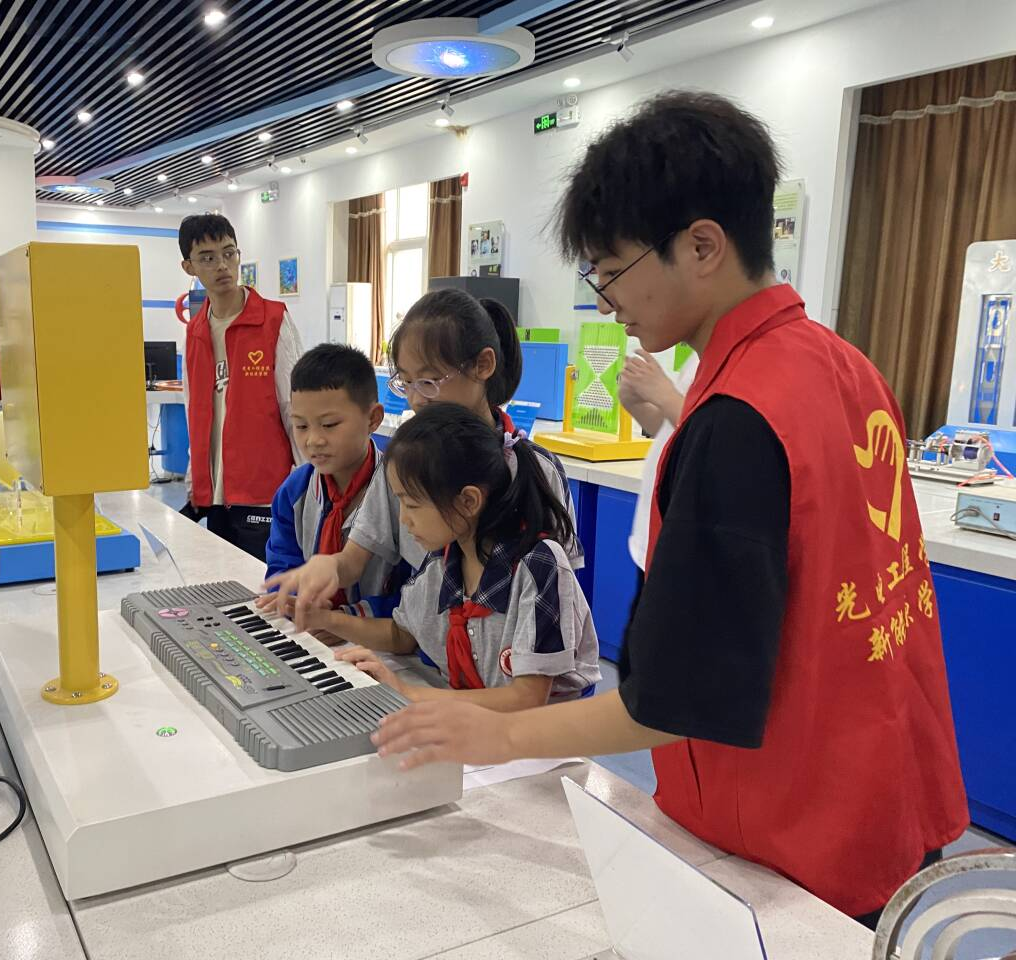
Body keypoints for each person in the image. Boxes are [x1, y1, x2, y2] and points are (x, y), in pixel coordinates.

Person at [370, 90, 968, 926]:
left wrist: (493, 734)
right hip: (889, 796)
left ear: (701, 246)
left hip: (793, 834)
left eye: (612, 269)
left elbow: (670, 700)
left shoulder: (735, 418)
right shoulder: (846, 365)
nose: (605, 299)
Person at [265, 288, 582, 617]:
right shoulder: (404, 462)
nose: (416, 399)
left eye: (429, 381)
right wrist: (327, 569)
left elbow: (560, 589)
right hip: (425, 644)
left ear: (483, 365)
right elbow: (353, 561)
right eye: (406, 383)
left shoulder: (534, 468)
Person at [319, 404, 600, 709]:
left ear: (468, 501)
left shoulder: (538, 566)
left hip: (543, 730)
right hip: (477, 719)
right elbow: (403, 634)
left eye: (412, 505)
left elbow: (526, 698)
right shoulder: (444, 561)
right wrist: (325, 619)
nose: (403, 520)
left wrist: (405, 691)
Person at [179, 214, 302, 562]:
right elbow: (194, 411)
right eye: (207, 258)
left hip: (265, 491)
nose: (222, 265)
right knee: (225, 583)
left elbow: (295, 408)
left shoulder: (273, 320)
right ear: (189, 267)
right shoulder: (195, 331)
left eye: (229, 253)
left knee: (265, 585)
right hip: (216, 495)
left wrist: (303, 480)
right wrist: (195, 480)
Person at [263, 343, 406, 622]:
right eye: (301, 426)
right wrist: (298, 602)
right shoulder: (293, 493)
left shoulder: (403, 493)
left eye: (329, 425)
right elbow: (283, 569)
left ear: (373, 419)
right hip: (312, 631)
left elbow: (418, 590)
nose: (313, 440)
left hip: (384, 636)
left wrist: (347, 618)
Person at [617, 349, 696, 575]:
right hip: (654, 540)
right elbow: (668, 431)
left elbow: (711, 436)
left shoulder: (738, 361)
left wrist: (665, 394)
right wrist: (635, 404)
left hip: (681, 551)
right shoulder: (696, 359)